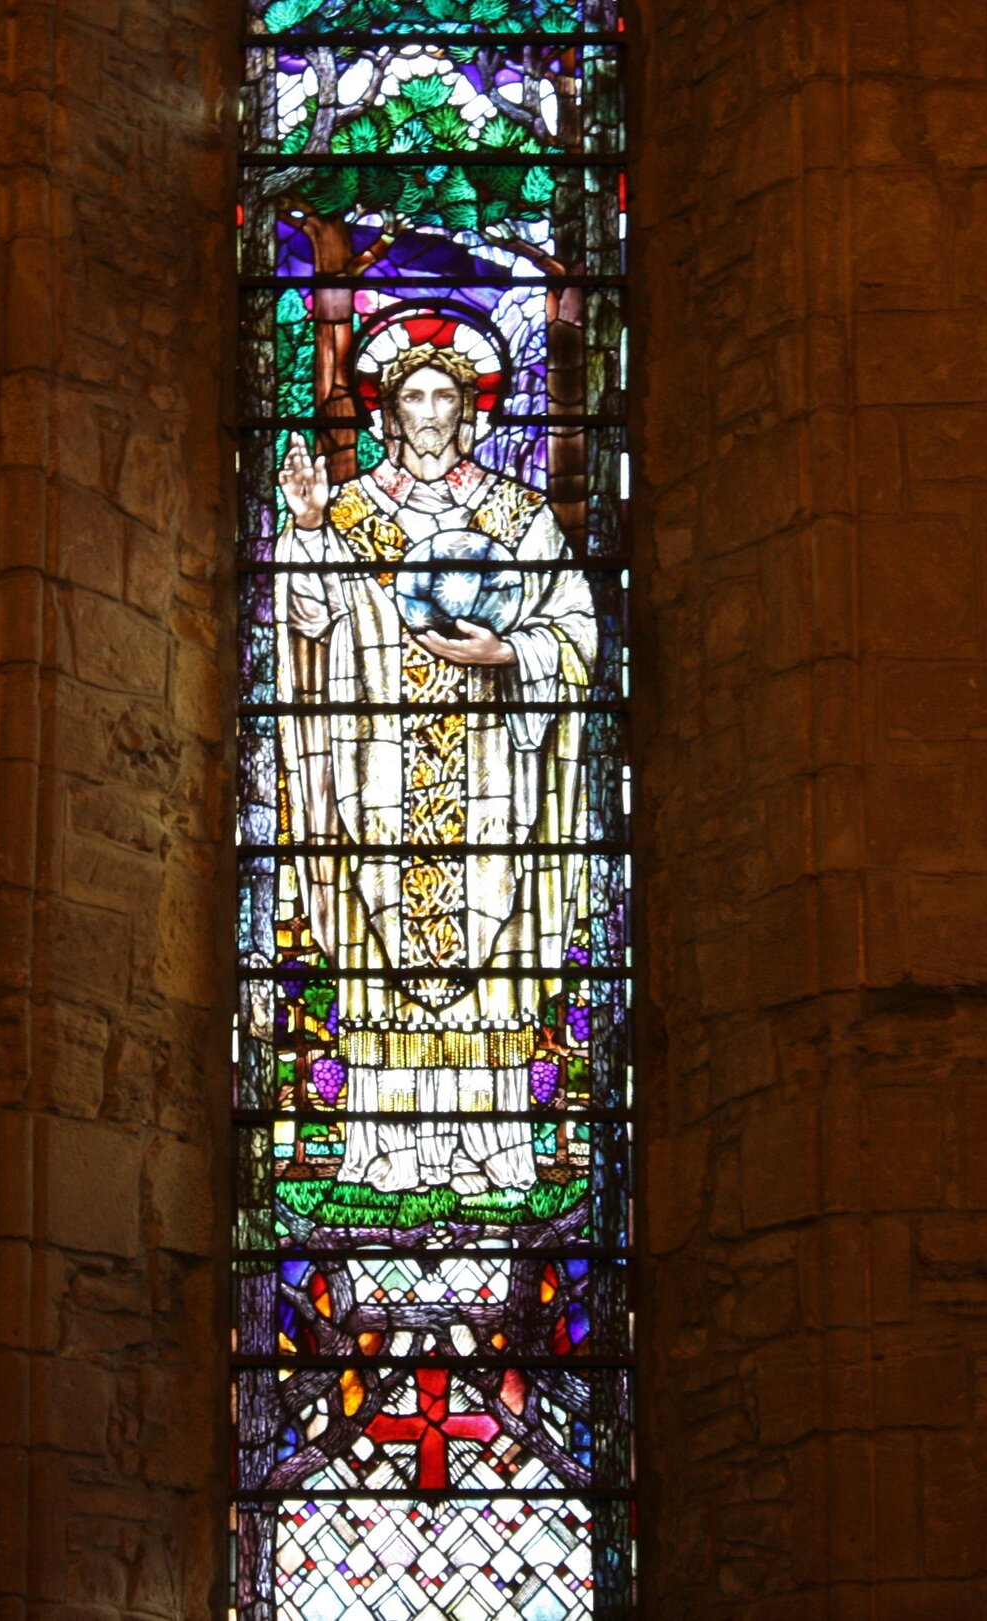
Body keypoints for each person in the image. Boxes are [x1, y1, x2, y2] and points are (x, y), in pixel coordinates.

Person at [273, 313, 597, 1195]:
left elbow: (577, 626)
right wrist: (305, 532)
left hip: (495, 768)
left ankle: (493, 1150)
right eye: (411, 397)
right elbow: (306, 620)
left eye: (443, 396)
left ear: (469, 412)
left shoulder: (519, 516)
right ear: (386, 415)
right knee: (379, 947)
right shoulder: (347, 514)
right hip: (375, 770)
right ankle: (387, 1147)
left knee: (493, 948)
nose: (427, 412)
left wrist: (512, 652)